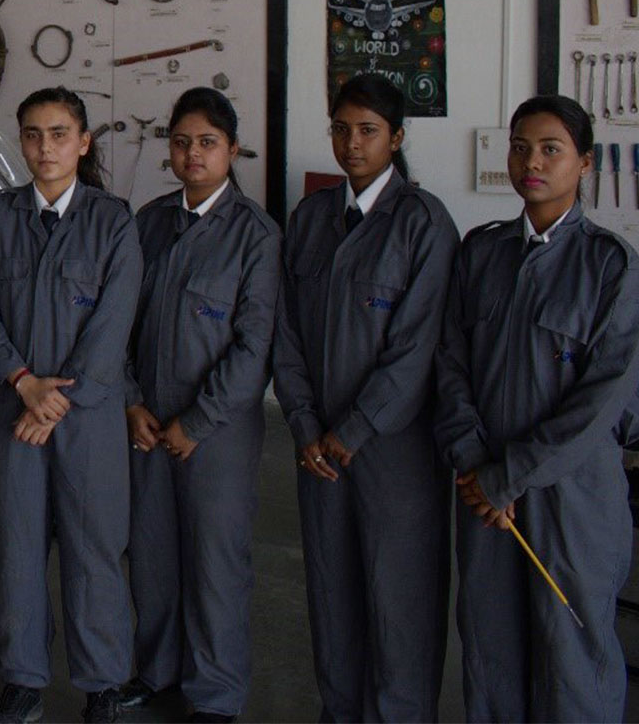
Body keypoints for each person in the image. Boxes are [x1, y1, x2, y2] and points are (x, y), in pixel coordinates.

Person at [435, 94, 639, 722]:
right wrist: (474, 462)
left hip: (572, 498)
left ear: (583, 164)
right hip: (484, 493)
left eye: (552, 148)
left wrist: (509, 474)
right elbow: (451, 364)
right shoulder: (483, 252)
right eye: (520, 145)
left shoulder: (611, 265)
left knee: (571, 652)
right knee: (491, 644)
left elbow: (603, 401)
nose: (532, 160)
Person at [273, 72, 458, 722]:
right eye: (342, 129)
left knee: (399, 598)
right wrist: (302, 423)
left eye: (369, 130)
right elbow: (285, 333)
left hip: (393, 453)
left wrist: (351, 431)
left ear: (396, 137)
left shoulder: (424, 225)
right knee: (332, 592)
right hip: (317, 449)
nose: (352, 143)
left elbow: (416, 351)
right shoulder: (311, 217)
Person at [0, 86, 143, 724]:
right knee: (15, 546)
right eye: (34, 134)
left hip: (85, 418)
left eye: (60, 133)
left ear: (83, 142)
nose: (46, 147)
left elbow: (115, 322)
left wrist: (55, 402)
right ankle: (23, 680)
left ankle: (103, 683)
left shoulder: (113, 220)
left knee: (95, 549)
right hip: (11, 412)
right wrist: (22, 383)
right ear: (21, 141)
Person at [123, 88, 280, 723]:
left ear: (232, 150)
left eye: (208, 143)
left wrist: (200, 421)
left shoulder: (256, 236)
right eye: (183, 142)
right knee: (152, 554)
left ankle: (214, 694)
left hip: (217, 432)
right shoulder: (149, 223)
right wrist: (132, 402)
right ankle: (157, 672)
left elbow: (254, 346)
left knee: (216, 563)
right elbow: (119, 327)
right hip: (147, 423)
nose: (193, 154)